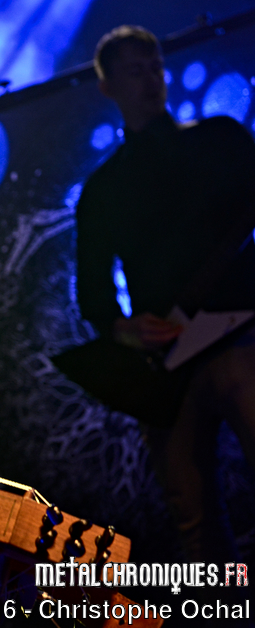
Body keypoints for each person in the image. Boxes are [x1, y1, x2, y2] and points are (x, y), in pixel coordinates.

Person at [75, 25, 255, 567]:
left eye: (155, 65)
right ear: (107, 86)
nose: (151, 78)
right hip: (169, 363)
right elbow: (93, 290)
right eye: (135, 70)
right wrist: (123, 328)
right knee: (193, 520)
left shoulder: (220, 136)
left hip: (242, 336)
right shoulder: (102, 188)